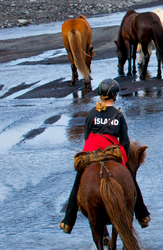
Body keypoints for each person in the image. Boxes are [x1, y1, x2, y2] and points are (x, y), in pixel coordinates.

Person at [59, 79, 151, 233]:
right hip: (112, 153)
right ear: (115, 96)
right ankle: (142, 214)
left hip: (91, 153)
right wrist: (125, 162)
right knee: (131, 181)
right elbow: (125, 142)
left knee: (77, 184)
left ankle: (68, 221)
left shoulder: (92, 113)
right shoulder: (119, 115)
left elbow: (87, 136)